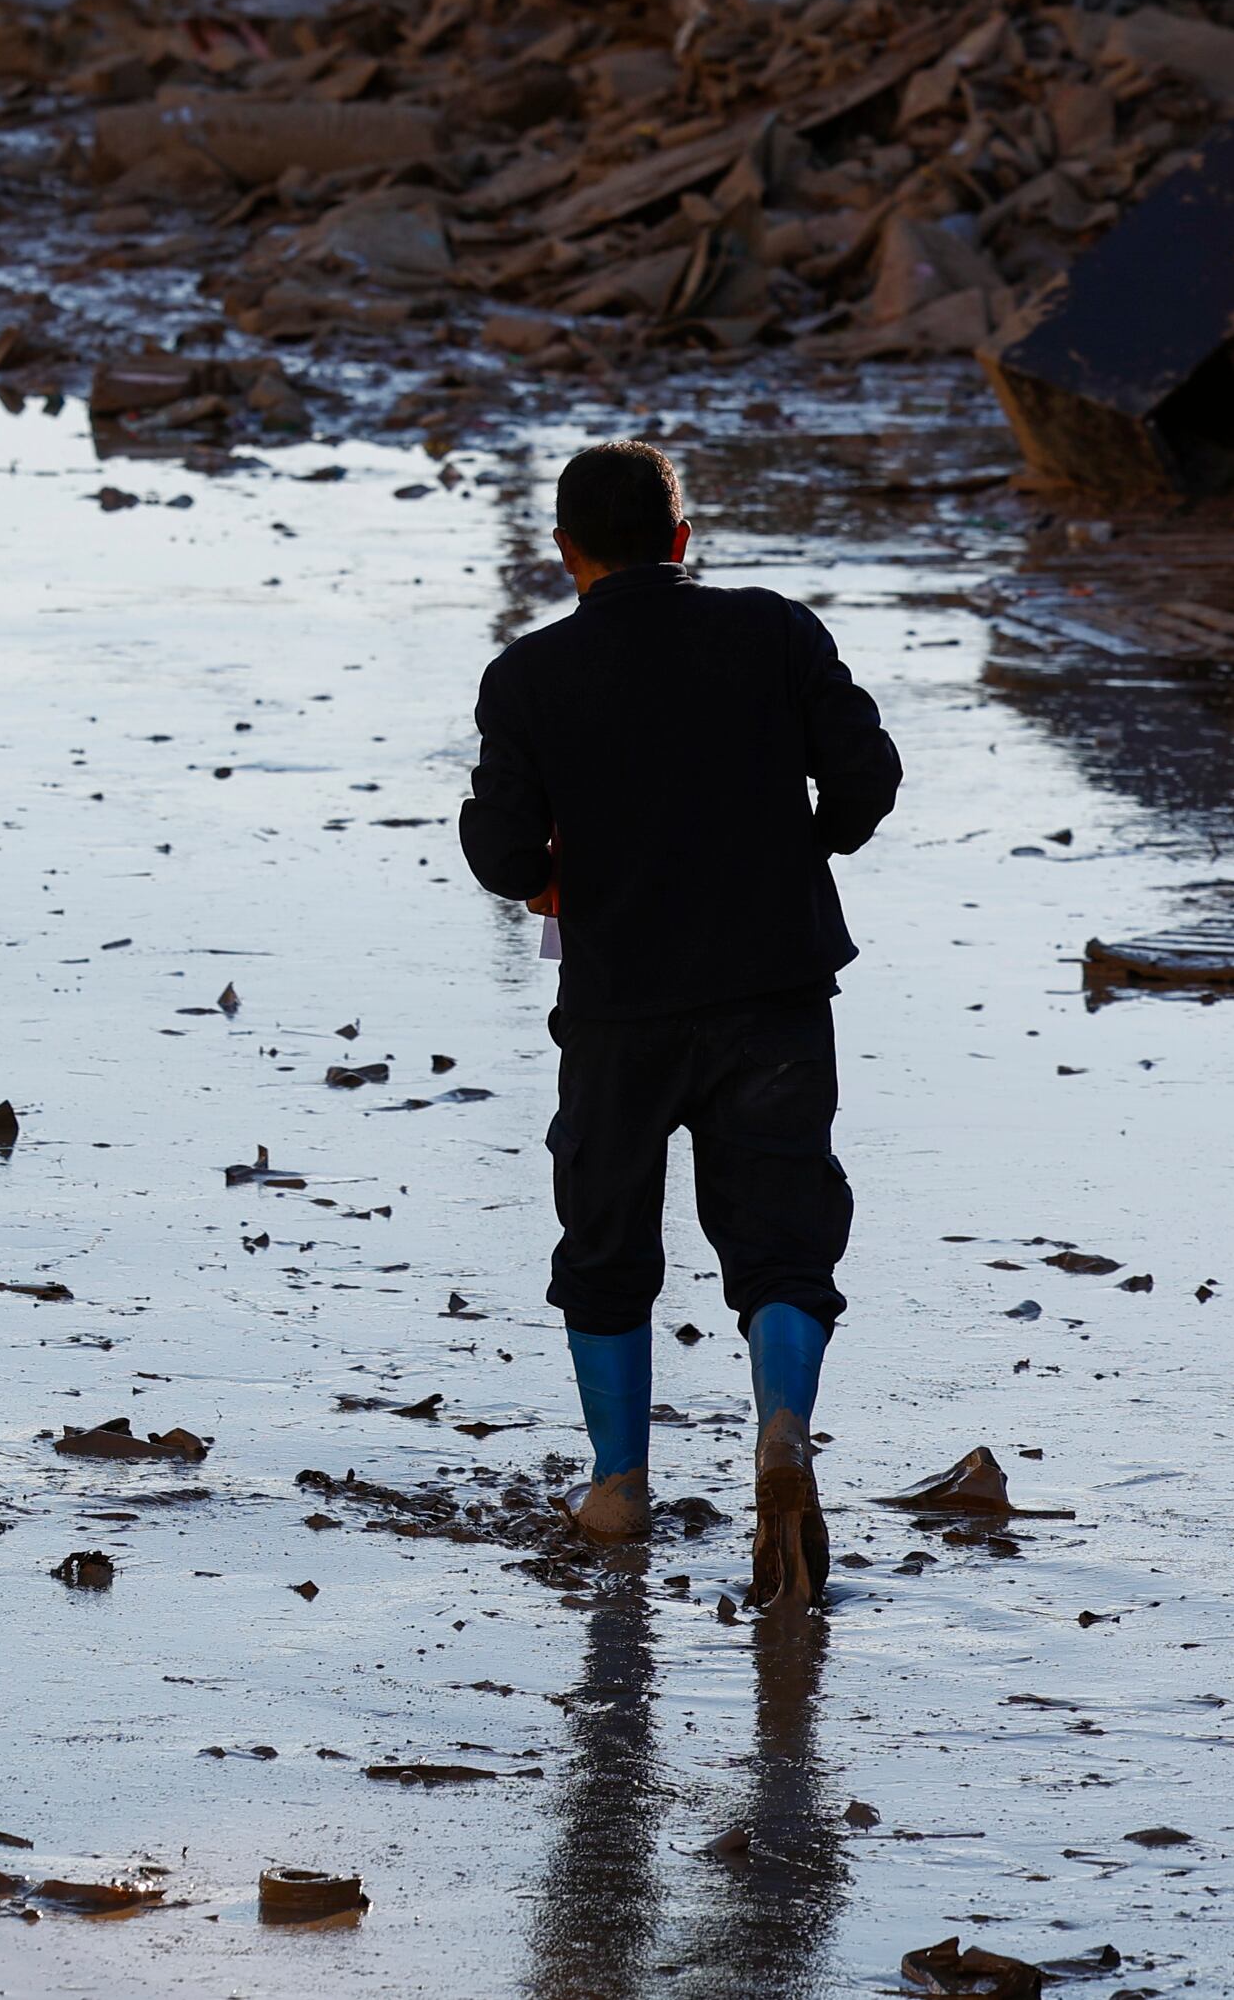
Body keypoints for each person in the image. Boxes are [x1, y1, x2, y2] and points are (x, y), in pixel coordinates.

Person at [455, 438, 900, 1610]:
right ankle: (784, 1429)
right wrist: (797, 848)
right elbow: (865, 778)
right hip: (775, 990)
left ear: (565, 556)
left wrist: (559, 873)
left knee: (605, 1242)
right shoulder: (775, 631)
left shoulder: (530, 676)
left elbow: (499, 853)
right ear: (682, 542)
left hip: (618, 1009)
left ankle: (615, 1485)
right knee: (783, 1236)